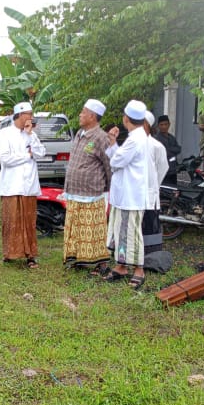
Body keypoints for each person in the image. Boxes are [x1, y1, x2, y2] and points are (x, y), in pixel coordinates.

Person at [63, 98, 113, 271]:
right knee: (76, 228)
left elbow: (109, 165)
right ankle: (79, 259)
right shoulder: (79, 133)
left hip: (92, 193)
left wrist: (108, 189)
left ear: (92, 116)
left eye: (83, 112)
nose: (80, 115)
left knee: (92, 229)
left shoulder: (101, 137)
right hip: (74, 191)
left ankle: (100, 262)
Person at [0, 103, 45, 268]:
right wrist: (27, 154)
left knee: (29, 221)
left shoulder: (30, 134)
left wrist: (30, 136)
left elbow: (41, 153)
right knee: (12, 220)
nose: (31, 117)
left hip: (29, 185)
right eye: (28, 114)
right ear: (19, 115)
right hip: (11, 185)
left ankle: (30, 255)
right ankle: (10, 253)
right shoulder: (4, 133)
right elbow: (6, 159)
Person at [107, 99, 150, 289]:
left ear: (126, 118)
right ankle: (121, 265)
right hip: (124, 194)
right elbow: (118, 158)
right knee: (121, 231)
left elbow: (116, 162)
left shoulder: (135, 139)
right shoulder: (137, 136)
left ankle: (139, 269)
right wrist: (113, 144)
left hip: (131, 195)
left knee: (132, 233)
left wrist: (113, 149)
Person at [141, 111, 168, 270]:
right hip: (134, 196)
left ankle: (150, 258)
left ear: (146, 125)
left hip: (150, 195)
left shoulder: (156, 146)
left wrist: (152, 186)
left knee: (150, 225)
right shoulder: (132, 144)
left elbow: (163, 168)